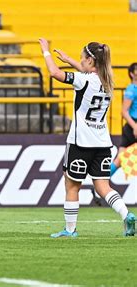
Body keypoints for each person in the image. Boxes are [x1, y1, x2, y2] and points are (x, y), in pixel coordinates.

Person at [39, 38, 135, 237]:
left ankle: (70, 230)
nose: (80, 61)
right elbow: (87, 73)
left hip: (80, 142)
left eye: (82, 59)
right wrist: (70, 60)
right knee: (103, 186)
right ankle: (126, 215)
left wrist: (46, 52)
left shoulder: (84, 80)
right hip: (102, 144)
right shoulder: (109, 82)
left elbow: (55, 73)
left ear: (90, 62)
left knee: (72, 185)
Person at [110, 63, 137, 176]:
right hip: (133, 126)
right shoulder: (132, 89)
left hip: (131, 127)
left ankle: (100, 183)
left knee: (119, 159)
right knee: (120, 159)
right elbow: (124, 111)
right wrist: (135, 126)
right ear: (132, 74)